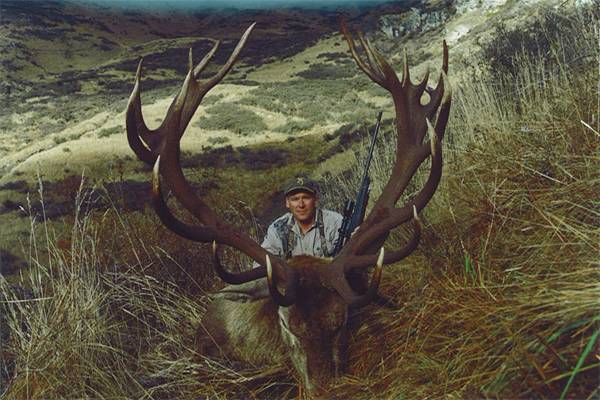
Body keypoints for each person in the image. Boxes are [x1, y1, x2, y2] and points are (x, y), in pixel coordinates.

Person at [217, 174, 343, 301]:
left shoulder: (335, 222)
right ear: (287, 203)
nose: (301, 204)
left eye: (306, 198)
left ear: (315, 200)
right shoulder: (278, 228)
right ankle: (219, 296)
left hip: (329, 287)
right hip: (293, 289)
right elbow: (262, 261)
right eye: (295, 199)